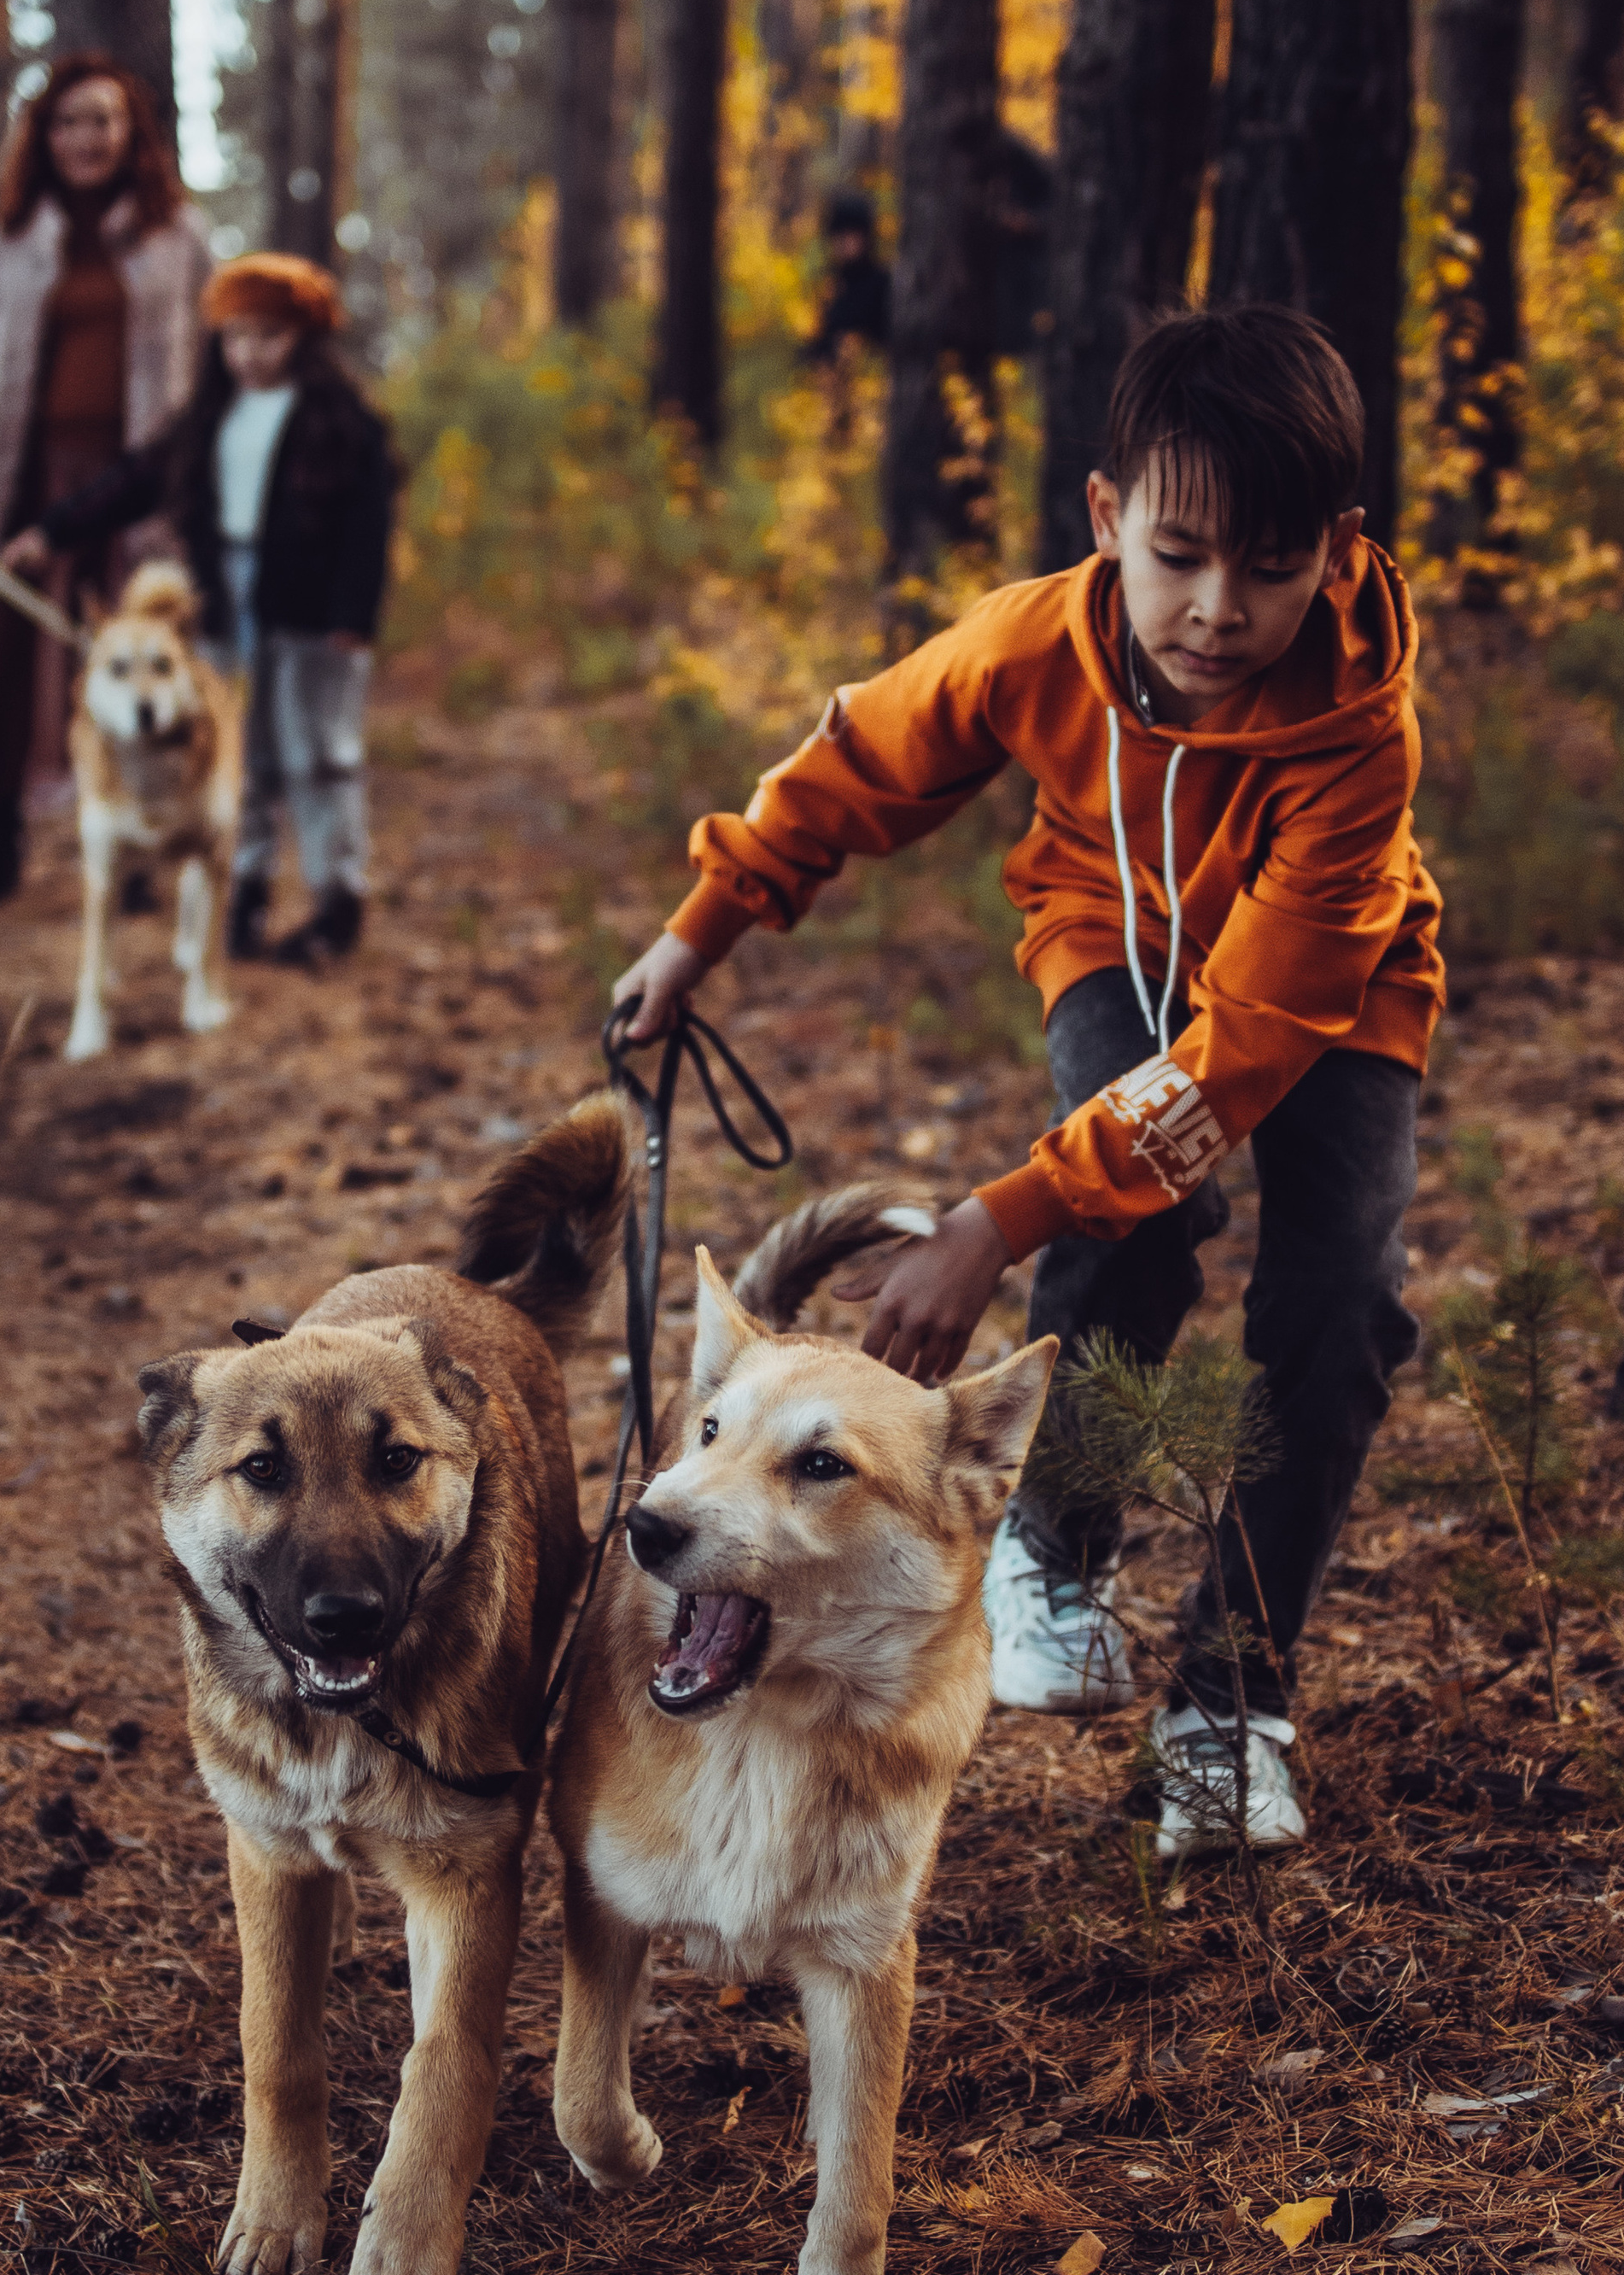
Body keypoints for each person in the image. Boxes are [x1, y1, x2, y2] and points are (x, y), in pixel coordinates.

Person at [610, 304, 1442, 1862]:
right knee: (1134, 1217)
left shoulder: (1360, 733)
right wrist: (697, 931)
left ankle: (1230, 1703)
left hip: (1327, 994)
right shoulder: (1030, 641)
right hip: (1111, 931)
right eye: (1179, 555)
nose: (1217, 610)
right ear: (1108, 516)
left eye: (1271, 569)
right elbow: (858, 760)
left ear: (1337, 554)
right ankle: (1055, 1540)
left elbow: (1242, 1052)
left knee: (1341, 1302)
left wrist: (991, 1224)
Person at [6, 252, 399, 965]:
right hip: (225, 598)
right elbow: (133, 481)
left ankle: (335, 905)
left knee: (318, 755)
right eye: (235, 336)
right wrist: (53, 531)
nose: (249, 353)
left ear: (305, 340)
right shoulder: (209, 420)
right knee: (236, 750)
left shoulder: (343, 425)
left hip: (312, 614)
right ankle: (241, 895)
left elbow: (368, 526)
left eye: (269, 336)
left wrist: (354, 615)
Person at [0, 51, 208, 910]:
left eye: (102, 120)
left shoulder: (181, 242)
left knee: (137, 665)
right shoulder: (6, 245)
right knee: (9, 665)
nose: (85, 138)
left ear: (132, 133)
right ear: (43, 136)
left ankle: (138, 857)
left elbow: (214, 366)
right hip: (22, 482)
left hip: (136, 489)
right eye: (68, 123)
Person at [803, 190, 891, 367]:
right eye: (838, 234)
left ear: (866, 236)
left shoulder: (882, 284)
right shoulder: (829, 286)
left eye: (851, 233)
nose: (844, 242)